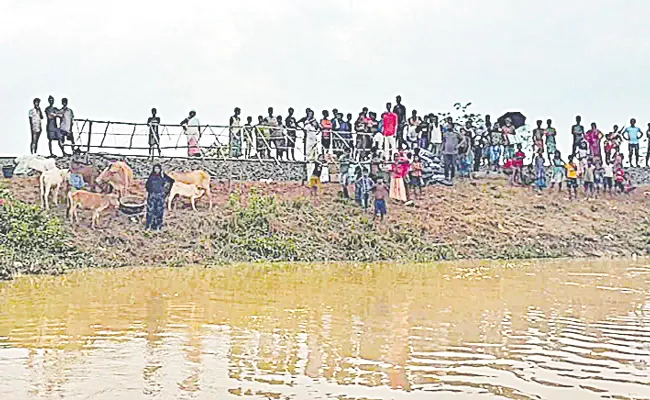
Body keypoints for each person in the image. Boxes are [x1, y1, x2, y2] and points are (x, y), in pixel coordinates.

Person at [145, 164, 174, 231]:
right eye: (155, 169)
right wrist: (150, 192)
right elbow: (147, 185)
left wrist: (166, 192)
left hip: (160, 196)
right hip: (152, 196)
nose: (156, 170)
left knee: (159, 211)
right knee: (150, 211)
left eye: (158, 169)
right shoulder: (151, 177)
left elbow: (172, 181)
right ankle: (148, 226)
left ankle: (158, 226)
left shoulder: (163, 176)